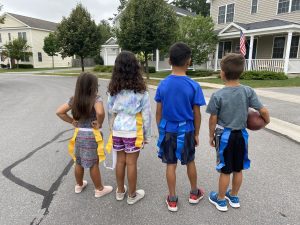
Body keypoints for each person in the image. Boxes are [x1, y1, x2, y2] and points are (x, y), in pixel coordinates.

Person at [206, 53, 270, 212]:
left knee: (225, 169)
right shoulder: (247, 91)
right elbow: (262, 110)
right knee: (238, 168)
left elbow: (213, 119)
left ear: (223, 73)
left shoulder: (218, 95)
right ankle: (233, 196)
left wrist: (210, 135)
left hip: (225, 135)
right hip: (241, 134)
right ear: (240, 72)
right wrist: (266, 121)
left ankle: (220, 199)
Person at [155, 42, 206, 212]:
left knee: (171, 164)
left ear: (169, 60)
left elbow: (159, 111)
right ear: (188, 61)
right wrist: (197, 133)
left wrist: (160, 130)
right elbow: (197, 113)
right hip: (187, 130)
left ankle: (172, 199)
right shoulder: (193, 85)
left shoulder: (163, 84)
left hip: (169, 130)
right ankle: (193, 193)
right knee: (190, 161)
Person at [56, 72, 113, 198]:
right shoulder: (96, 98)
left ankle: (79, 184)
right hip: (91, 135)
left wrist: (72, 121)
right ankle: (99, 189)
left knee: (79, 161)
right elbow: (100, 112)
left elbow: (59, 112)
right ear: (93, 86)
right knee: (94, 163)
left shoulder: (74, 99)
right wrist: (99, 123)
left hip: (79, 134)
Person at [107, 51, 151, 205]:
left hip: (118, 128)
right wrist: (146, 135)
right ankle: (132, 195)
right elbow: (146, 115)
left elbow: (109, 110)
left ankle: (120, 191)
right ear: (135, 68)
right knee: (131, 163)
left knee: (120, 161)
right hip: (134, 130)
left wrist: (111, 128)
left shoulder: (114, 89)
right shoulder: (141, 91)